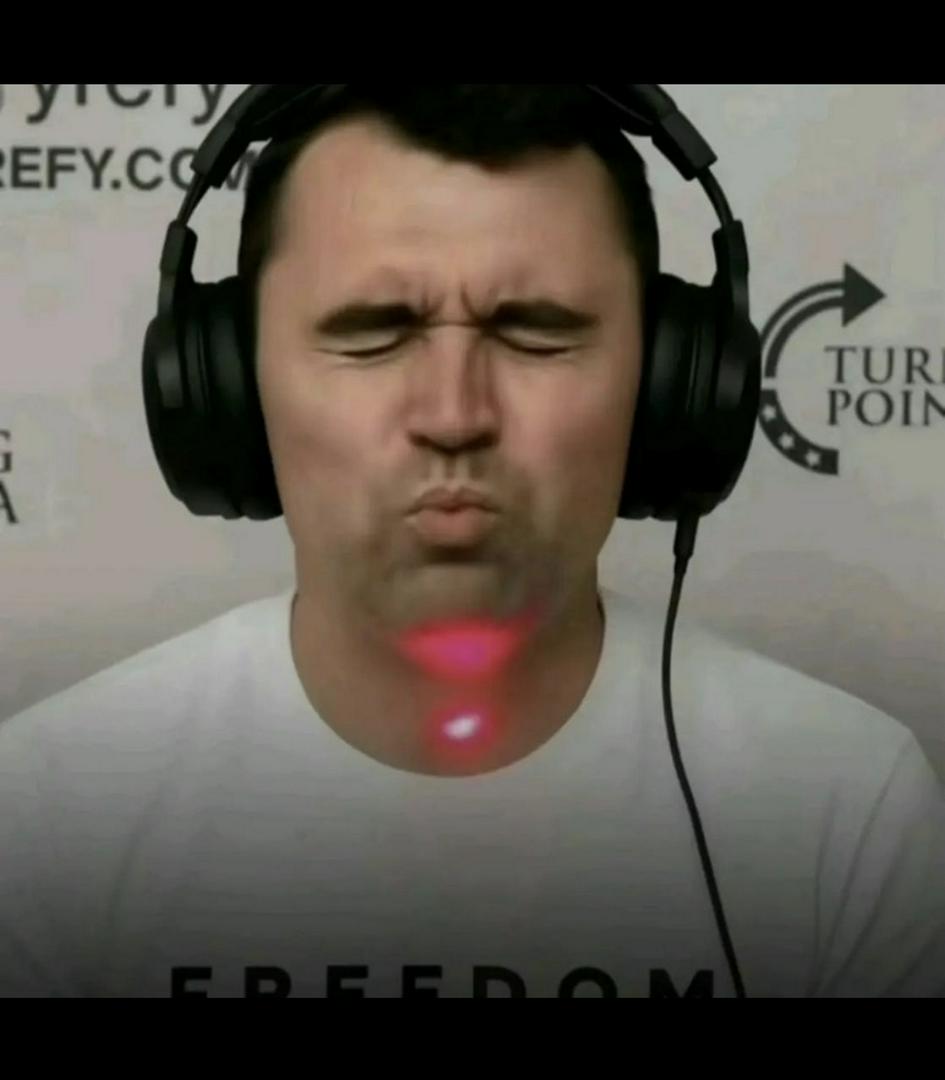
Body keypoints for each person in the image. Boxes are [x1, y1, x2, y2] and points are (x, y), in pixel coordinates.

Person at [1, 85, 943, 999]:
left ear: (672, 380)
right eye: (372, 335)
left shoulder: (844, 806)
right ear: (229, 381)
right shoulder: (49, 811)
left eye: (534, 334)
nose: (454, 416)